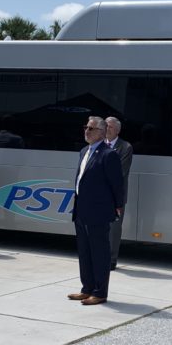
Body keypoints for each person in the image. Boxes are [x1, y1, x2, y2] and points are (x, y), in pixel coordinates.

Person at [67, 116, 124, 306]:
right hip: (82, 210)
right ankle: (87, 289)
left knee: (99, 252)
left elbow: (117, 184)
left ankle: (100, 292)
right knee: (84, 252)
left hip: (99, 212)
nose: (86, 131)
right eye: (86, 127)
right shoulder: (84, 151)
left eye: (91, 128)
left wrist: (118, 206)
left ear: (101, 132)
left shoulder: (109, 154)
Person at [104, 116, 133, 269]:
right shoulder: (97, 144)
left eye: (109, 126)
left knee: (113, 229)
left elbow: (119, 173)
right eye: (105, 126)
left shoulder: (125, 147)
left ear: (117, 130)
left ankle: (111, 260)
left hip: (115, 196)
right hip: (97, 194)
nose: (106, 129)